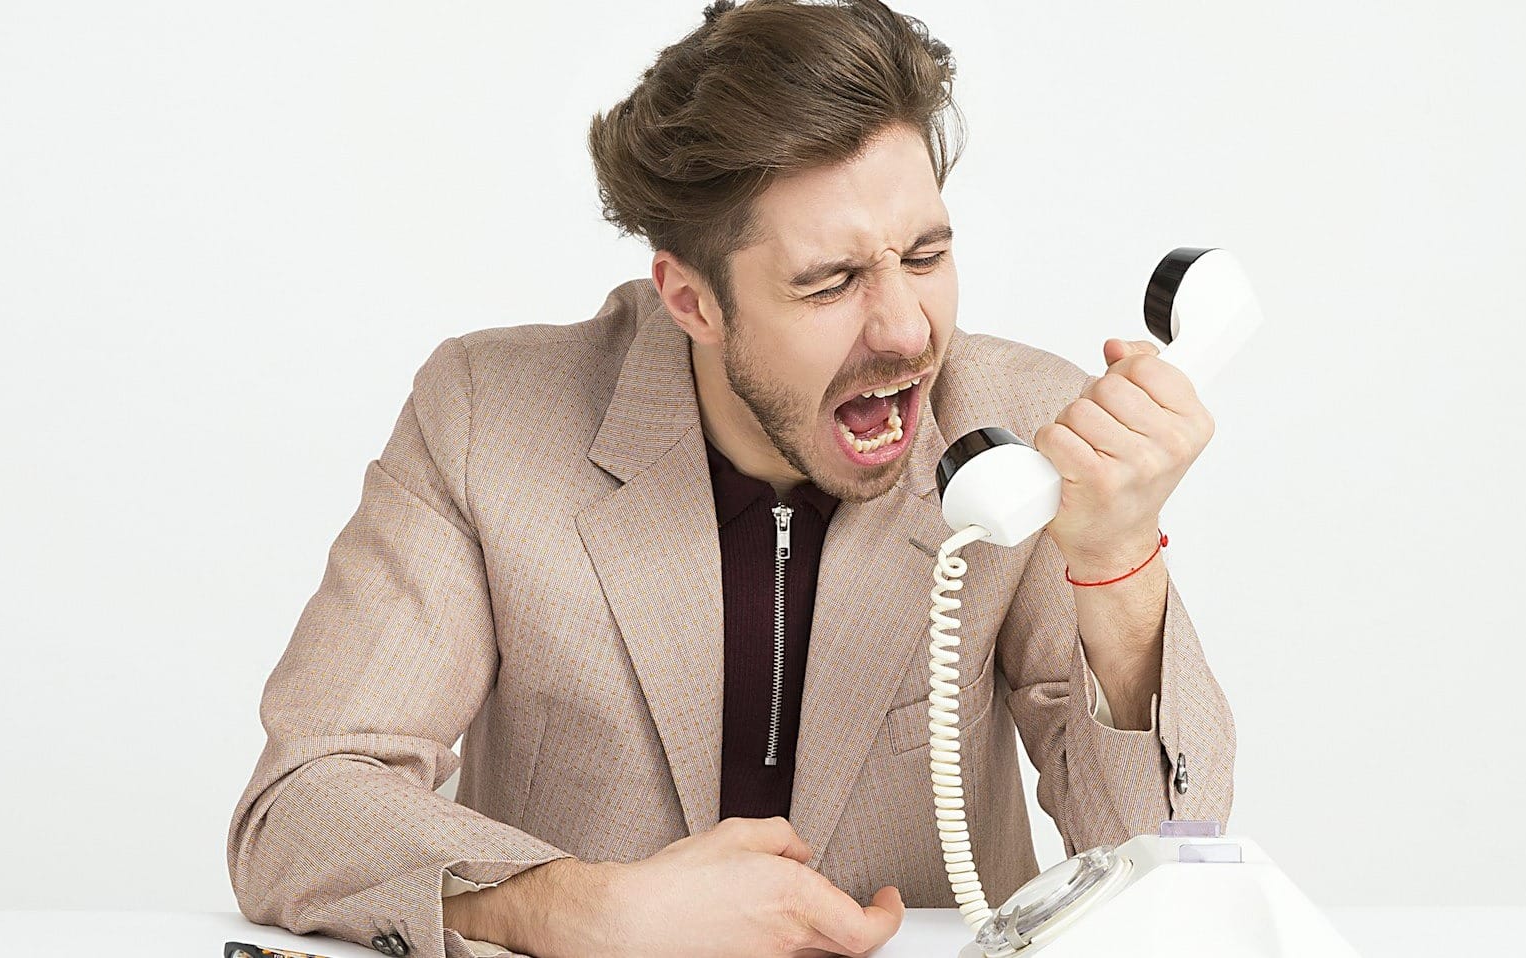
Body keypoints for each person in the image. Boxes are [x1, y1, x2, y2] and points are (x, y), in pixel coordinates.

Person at [225, 2, 1236, 956]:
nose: (905, 330)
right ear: (690, 299)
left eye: (923, 256)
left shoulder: (1015, 426)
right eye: (828, 282)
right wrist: (578, 908)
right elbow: (301, 805)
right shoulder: (487, 414)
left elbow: (1169, 863)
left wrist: (1115, 565)